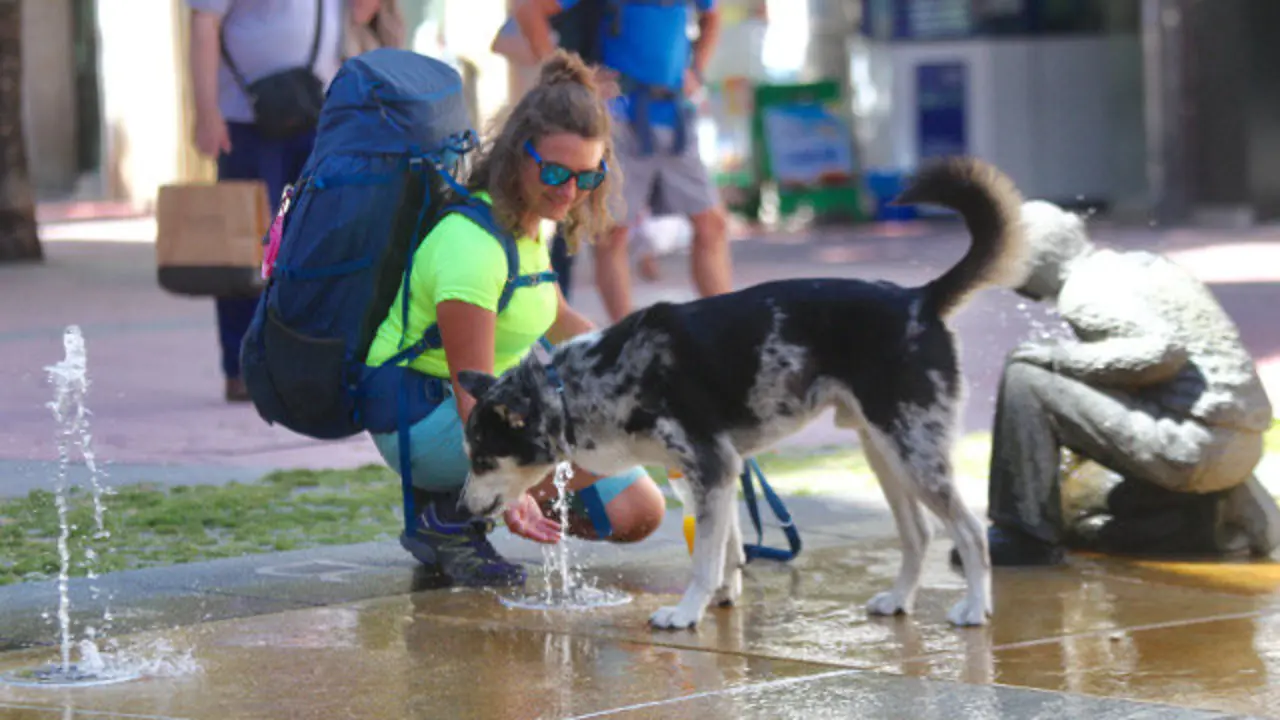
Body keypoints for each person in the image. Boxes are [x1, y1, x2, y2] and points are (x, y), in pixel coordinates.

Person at [362, 51, 667, 586]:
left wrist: (650, 361)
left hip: (496, 407)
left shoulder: (532, 222)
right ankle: (451, 516)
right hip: (422, 416)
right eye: (553, 171)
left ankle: (463, 501)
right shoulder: (471, 246)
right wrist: (514, 490)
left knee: (637, 511)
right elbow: (470, 392)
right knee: (614, 441)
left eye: (587, 177)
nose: (569, 192)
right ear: (515, 154)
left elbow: (556, 316)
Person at [974, 200, 1280, 566]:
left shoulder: (1082, 289)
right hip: (1241, 446)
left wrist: (1057, 357)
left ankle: (1022, 536)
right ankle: (1219, 516)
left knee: (1026, 375)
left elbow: (1163, 350)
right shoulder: (1138, 265)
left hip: (1192, 447)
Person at [189, 0, 380, 402]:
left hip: (318, 111)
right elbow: (204, 25)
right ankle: (242, 368)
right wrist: (206, 111)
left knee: (321, 241)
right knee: (244, 248)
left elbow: (361, 13)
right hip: (243, 119)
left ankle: (312, 365)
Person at [516, 0, 734, 322]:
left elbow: (712, 16)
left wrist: (697, 68)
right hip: (619, 117)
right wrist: (566, 78)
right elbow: (529, 10)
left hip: (674, 115)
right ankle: (624, 339)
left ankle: (728, 326)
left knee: (711, 223)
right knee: (612, 232)